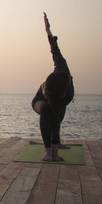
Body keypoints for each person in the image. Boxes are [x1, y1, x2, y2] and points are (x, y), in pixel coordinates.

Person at [32, 12, 74, 161]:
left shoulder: (61, 65)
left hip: (55, 101)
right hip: (39, 100)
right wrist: (51, 153)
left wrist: (47, 29)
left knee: (55, 119)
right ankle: (47, 151)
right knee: (46, 109)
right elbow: (51, 108)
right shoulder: (50, 91)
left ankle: (54, 150)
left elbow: (53, 45)